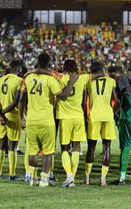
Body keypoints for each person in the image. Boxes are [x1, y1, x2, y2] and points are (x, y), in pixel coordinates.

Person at [20, 53, 77, 187]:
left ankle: (32, 178)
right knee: (48, 152)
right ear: (49, 63)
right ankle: (44, 179)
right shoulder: (50, 80)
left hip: (32, 120)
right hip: (46, 120)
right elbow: (62, 96)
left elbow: (21, 100)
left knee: (32, 151)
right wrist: (72, 82)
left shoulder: (28, 78)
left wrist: (21, 117)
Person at [55, 59, 91, 187]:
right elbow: (98, 74)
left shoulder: (61, 79)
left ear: (64, 68)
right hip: (79, 117)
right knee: (76, 147)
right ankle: (72, 179)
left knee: (65, 148)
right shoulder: (82, 78)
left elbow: (58, 95)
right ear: (76, 68)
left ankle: (69, 175)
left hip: (65, 118)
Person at [84, 61, 119, 187]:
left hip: (94, 116)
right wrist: (113, 112)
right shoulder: (111, 81)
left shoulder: (89, 81)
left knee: (91, 148)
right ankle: (103, 179)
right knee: (107, 148)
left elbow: (84, 102)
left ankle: (87, 178)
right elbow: (118, 100)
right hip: (107, 116)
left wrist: (85, 116)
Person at [0, 60, 24, 181]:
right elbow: (16, 101)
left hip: (1, 117)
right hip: (12, 116)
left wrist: (0, 115)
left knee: (1, 143)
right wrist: (4, 113)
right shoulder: (19, 81)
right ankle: (11, 174)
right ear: (19, 70)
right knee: (13, 145)